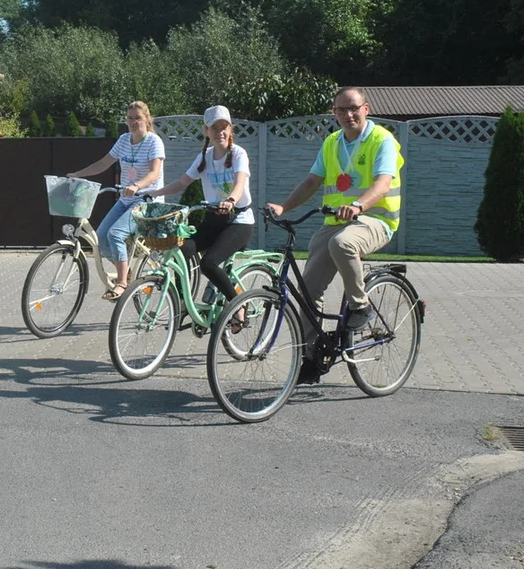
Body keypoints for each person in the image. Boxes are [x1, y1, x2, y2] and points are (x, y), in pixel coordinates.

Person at [265, 86, 404, 383]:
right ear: (334, 113)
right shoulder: (331, 143)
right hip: (337, 221)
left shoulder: (383, 141)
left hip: (376, 220)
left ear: (366, 109)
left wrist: (358, 205)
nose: (348, 114)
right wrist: (284, 207)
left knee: (342, 244)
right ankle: (312, 355)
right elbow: (312, 181)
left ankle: (360, 306)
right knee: (307, 290)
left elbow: (382, 184)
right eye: (341, 110)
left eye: (354, 108)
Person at [148, 105, 255, 311]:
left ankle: (238, 307)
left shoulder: (238, 154)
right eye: (214, 128)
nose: (220, 132)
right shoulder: (204, 157)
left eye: (224, 127)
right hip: (214, 220)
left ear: (231, 129)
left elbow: (240, 183)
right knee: (182, 249)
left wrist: (231, 200)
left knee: (209, 263)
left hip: (239, 221)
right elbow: (181, 183)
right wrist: (153, 193)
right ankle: (180, 302)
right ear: (206, 131)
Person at [68, 100, 165, 301]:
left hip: (147, 200)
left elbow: (155, 173)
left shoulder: (154, 142)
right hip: (125, 199)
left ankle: (122, 284)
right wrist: (79, 174)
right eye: (130, 118)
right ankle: (125, 270)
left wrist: (138, 185)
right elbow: (104, 163)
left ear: (147, 119)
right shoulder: (123, 140)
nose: (133, 122)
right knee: (102, 236)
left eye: (137, 118)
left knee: (116, 234)